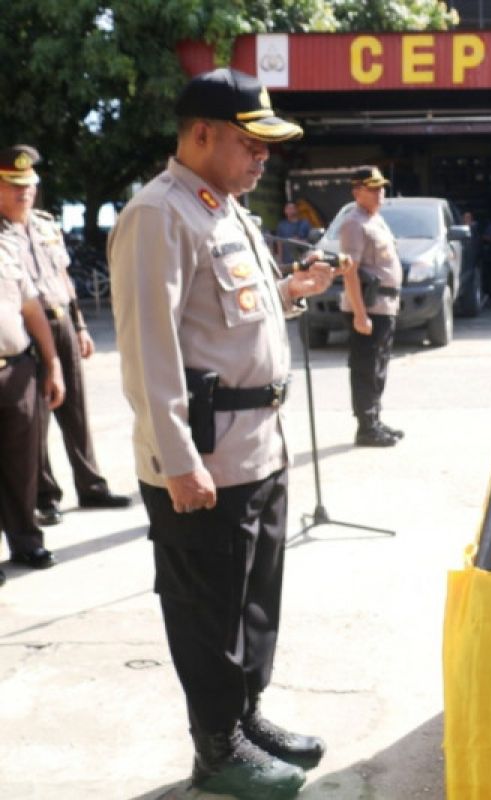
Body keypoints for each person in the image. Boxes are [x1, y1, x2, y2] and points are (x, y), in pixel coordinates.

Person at [109, 68, 339, 799]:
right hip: (204, 458)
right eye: (251, 144)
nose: (262, 159)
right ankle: (217, 748)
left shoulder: (225, 207)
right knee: (207, 609)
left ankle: (246, 717)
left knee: (254, 600)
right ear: (202, 134)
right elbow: (150, 350)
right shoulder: (159, 214)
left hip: (256, 446)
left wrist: (291, 293)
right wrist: (176, 460)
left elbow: (232, 313)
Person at [0, 145, 130, 526]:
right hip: (24, 332)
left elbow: (63, 278)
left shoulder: (43, 224)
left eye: (28, 185)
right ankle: (44, 494)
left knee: (76, 409)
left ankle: (91, 485)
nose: (23, 192)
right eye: (13, 185)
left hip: (60, 321)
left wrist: (81, 325)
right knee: (34, 416)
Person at [0, 234, 65, 574]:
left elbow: (30, 307)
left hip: (16, 370)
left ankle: (27, 543)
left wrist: (52, 363)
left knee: (24, 465)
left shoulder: (6, 250)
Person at [339, 165, 403, 447]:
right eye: (373, 188)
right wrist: (359, 314)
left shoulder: (375, 219)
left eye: (381, 188)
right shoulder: (354, 223)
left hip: (384, 306)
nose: (380, 193)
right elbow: (349, 271)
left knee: (379, 366)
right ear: (357, 192)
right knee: (365, 367)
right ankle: (365, 427)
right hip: (368, 307)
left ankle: (374, 419)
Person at [273, 201, 311, 265]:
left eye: (292, 208)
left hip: (303, 260)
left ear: (296, 210)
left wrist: (298, 241)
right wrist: (280, 259)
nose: (290, 210)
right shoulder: (281, 225)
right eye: (288, 208)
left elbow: (311, 241)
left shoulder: (304, 223)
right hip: (287, 260)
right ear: (285, 211)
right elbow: (279, 243)